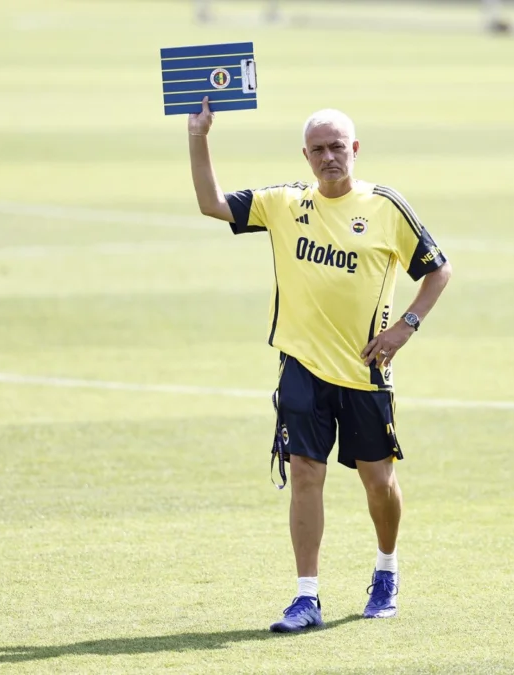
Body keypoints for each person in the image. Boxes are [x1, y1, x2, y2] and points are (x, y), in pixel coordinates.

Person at [187, 96, 452, 633]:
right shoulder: (284, 203)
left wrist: (406, 326)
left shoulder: (386, 206)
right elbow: (212, 204)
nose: (329, 157)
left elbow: (437, 271)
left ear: (355, 149)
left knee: (378, 481)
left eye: (337, 147)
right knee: (306, 474)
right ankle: (306, 597)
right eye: (318, 150)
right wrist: (199, 135)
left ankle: (386, 570)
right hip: (301, 366)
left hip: (364, 370)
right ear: (305, 156)